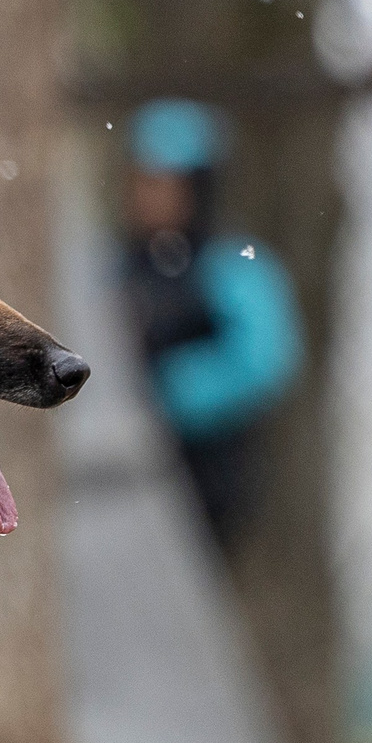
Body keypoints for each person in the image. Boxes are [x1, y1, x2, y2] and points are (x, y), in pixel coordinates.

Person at [120, 99, 302, 548]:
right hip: (121, 476)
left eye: (163, 182)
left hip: (206, 478)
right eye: (142, 180)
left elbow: (265, 360)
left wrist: (168, 393)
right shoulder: (117, 265)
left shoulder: (234, 264)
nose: (147, 195)